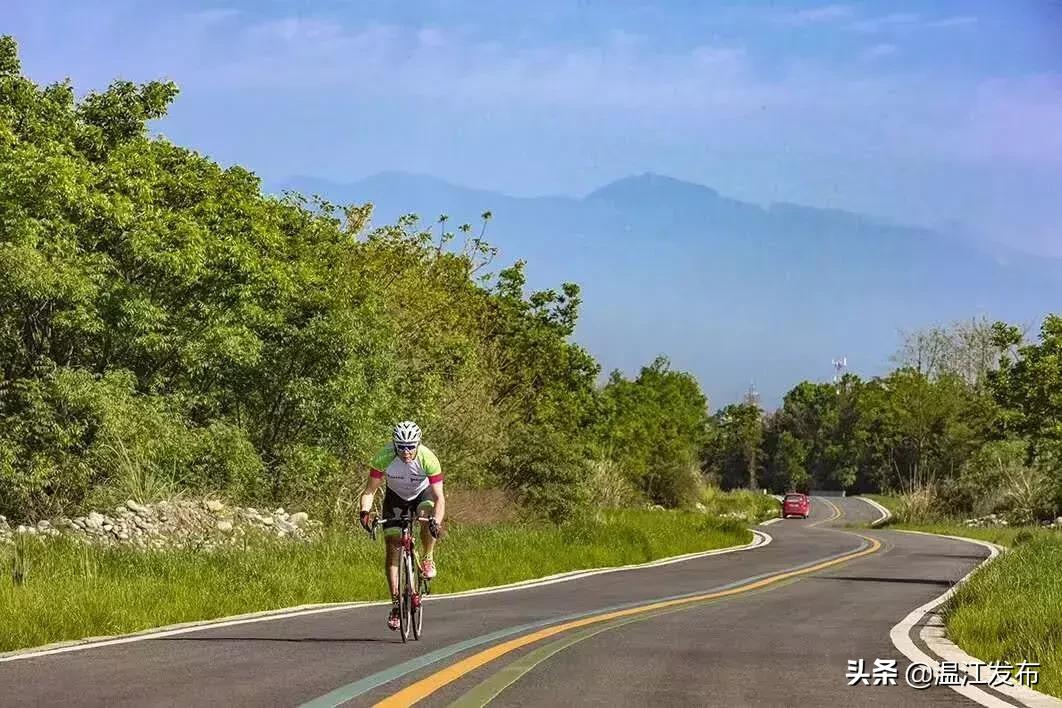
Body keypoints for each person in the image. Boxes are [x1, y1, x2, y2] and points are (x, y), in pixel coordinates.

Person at [358, 420, 446, 631]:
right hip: (395, 499)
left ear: (418, 444)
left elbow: (439, 497)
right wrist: (364, 513)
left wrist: (437, 521)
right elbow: (370, 491)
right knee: (393, 549)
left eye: (410, 446)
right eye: (401, 446)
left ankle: (428, 557)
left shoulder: (428, 458)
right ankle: (396, 605)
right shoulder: (384, 457)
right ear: (394, 444)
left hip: (421, 496)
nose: (406, 452)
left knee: (426, 516)